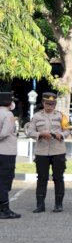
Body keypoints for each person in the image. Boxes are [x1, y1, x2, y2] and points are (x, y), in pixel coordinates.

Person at [27, 92, 71, 213]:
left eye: (52, 104)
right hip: (41, 151)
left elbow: (67, 130)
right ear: (43, 103)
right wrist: (40, 134)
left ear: (55, 104)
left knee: (58, 178)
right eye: (47, 104)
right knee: (41, 178)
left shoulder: (61, 116)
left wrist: (60, 135)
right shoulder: (36, 116)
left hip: (58, 150)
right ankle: (40, 205)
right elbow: (29, 132)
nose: (50, 106)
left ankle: (58, 205)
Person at [0, 92, 20, 220]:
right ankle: (4, 210)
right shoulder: (8, 114)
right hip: (6, 152)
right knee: (5, 181)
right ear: (8, 102)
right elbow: (5, 132)